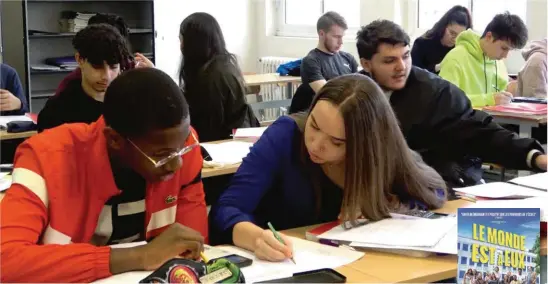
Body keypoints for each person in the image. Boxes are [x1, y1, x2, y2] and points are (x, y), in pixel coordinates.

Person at [0, 68, 208, 282]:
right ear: (114, 140)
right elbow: (5, 261)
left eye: (181, 149)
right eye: (161, 156)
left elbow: (194, 251)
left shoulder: (182, 145)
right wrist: (139, 256)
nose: (177, 163)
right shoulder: (46, 157)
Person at [209, 74, 448, 261]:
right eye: (314, 125)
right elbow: (225, 209)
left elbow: (432, 190)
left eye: (336, 142)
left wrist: (384, 205)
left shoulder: (380, 150)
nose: (316, 144)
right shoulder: (286, 135)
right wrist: (255, 238)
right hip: (289, 265)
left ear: (364, 144)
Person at [355, 20, 546, 189]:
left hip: (438, 184)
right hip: (375, 188)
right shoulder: (353, 95)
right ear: (366, 64)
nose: (401, 67)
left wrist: (534, 156)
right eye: (390, 61)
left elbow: (479, 131)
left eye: (405, 56)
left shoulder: (435, 92)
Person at [178, 12, 259, 142]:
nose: (180, 46)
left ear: (193, 44)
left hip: (225, 145)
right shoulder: (221, 65)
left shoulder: (212, 77)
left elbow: (208, 128)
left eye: (182, 40)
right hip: (229, 137)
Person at [37, 24, 132, 131]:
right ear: (79, 60)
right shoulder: (57, 110)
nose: (107, 76)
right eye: (97, 67)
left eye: (113, 67)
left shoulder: (129, 104)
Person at [439, 12, 528, 107]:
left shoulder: (498, 62)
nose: (505, 56)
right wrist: (488, 100)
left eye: (510, 50)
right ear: (489, 37)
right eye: (504, 48)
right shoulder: (455, 58)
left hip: (495, 120)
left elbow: (500, 96)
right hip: (465, 121)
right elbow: (446, 101)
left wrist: (509, 92)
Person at [54, 13, 154, 97]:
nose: (107, 75)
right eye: (98, 66)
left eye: (114, 65)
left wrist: (154, 76)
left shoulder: (130, 66)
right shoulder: (71, 85)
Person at [290, 11, 359, 114]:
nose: (341, 42)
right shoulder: (311, 61)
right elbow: (329, 96)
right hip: (317, 117)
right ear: (321, 34)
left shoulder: (348, 59)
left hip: (343, 114)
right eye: (336, 37)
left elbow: (358, 90)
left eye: (342, 37)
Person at [411, 5, 472, 74]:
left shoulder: (461, 48)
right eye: (452, 33)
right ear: (443, 26)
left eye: (460, 36)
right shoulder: (422, 43)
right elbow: (413, 73)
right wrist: (437, 67)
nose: (455, 39)